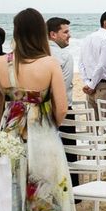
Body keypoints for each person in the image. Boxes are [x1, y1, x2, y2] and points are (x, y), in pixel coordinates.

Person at [0, 8, 80, 211]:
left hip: (9, 134)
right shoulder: (50, 63)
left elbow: (0, 106)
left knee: (10, 194)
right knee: (47, 196)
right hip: (42, 135)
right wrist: (48, 126)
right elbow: (61, 107)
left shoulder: (1, 63)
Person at [47, 16, 79, 189]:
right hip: (62, 108)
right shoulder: (64, 56)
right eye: (65, 32)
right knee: (68, 153)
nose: (69, 35)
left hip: (43, 109)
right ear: (53, 34)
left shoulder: (40, 53)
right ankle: (72, 191)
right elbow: (63, 86)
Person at [79, 10, 106, 117]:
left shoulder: (87, 38)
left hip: (90, 88)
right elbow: (102, 64)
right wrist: (91, 85)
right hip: (104, 87)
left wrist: (88, 82)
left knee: (94, 126)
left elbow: (81, 63)